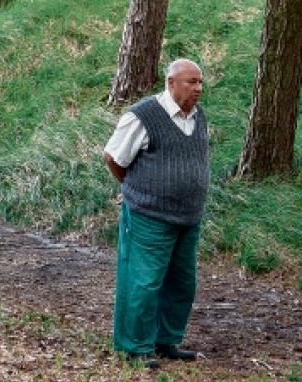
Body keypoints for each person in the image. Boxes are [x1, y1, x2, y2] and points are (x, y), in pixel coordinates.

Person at [103, 58, 209, 369]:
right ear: (171, 82)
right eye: (191, 82)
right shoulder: (142, 116)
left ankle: (166, 340)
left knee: (182, 282)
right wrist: (135, 189)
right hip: (149, 215)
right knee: (143, 280)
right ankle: (134, 345)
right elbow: (113, 157)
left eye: (200, 82)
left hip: (188, 217)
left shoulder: (198, 116)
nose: (199, 88)